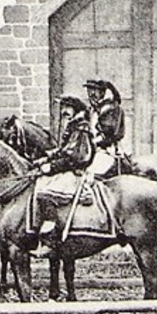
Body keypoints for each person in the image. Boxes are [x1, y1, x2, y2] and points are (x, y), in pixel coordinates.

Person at [28, 96, 95, 256]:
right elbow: (64, 150)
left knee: (46, 192)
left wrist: (51, 167)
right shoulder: (73, 126)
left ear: (75, 110)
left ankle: (51, 239)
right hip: (68, 167)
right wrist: (46, 158)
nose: (64, 111)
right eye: (63, 107)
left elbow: (76, 157)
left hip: (75, 171)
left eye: (67, 108)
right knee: (39, 183)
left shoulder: (81, 128)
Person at [85, 79, 126, 178]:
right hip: (92, 150)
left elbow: (109, 134)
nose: (91, 94)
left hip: (107, 151)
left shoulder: (111, 109)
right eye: (89, 91)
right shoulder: (92, 110)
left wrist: (92, 142)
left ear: (103, 92)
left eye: (95, 91)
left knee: (90, 175)